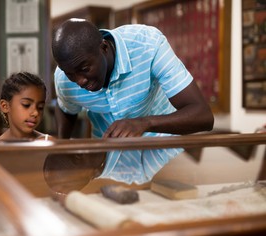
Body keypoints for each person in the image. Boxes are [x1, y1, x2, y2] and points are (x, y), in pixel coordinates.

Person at [51, 18, 214, 185]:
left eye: (85, 69)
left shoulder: (148, 45)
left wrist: (144, 123)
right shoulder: (64, 78)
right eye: (70, 74)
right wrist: (61, 148)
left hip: (165, 157)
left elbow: (203, 116)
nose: (80, 81)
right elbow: (65, 108)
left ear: (104, 48)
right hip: (110, 167)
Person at [0, 72, 52, 142]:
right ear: (5, 106)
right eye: (26, 105)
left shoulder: (49, 143)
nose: (35, 113)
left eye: (40, 107)